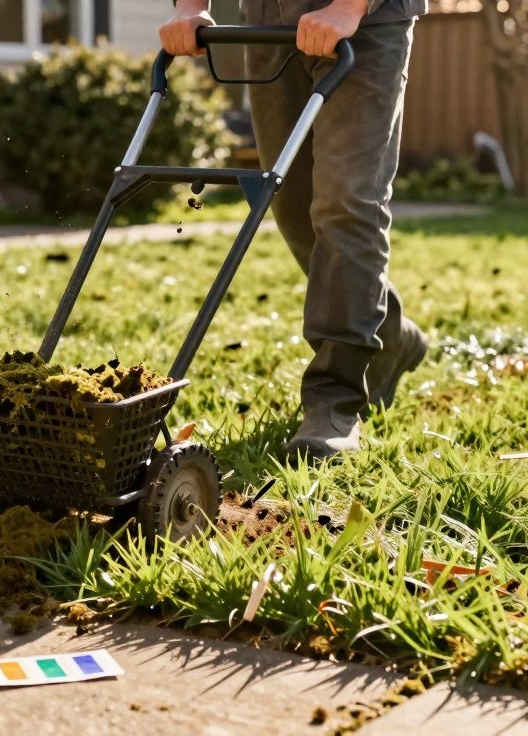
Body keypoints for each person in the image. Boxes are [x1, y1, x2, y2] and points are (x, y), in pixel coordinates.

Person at [160, 0, 430, 462]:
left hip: (365, 23)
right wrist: (190, 8)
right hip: (269, 23)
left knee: (346, 203)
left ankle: (334, 399)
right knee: (292, 207)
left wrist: (348, 7)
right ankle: (390, 331)